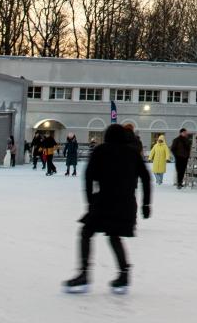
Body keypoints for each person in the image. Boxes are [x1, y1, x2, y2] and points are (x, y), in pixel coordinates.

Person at [65, 123, 152, 295]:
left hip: (103, 201)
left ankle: (83, 273)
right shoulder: (132, 153)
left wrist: (90, 202)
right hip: (126, 203)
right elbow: (146, 178)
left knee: (86, 232)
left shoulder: (101, 150)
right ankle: (124, 273)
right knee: (114, 236)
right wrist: (146, 204)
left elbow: (88, 177)